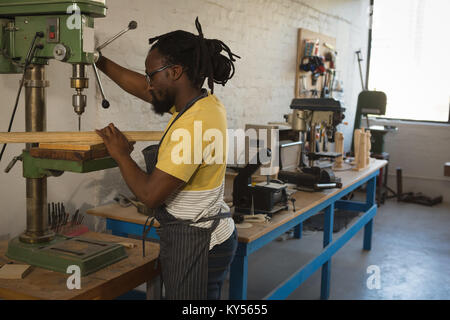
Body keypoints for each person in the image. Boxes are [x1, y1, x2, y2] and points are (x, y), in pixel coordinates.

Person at [95, 18, 240, 300]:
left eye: (152, 75)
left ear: (175, 72)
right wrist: (98, 61)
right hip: (204, 232)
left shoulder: (193, 125)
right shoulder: (202, 103)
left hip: (200, 241)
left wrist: (121, 155)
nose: (148, 83)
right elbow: (141, 87)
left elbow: (150, 195)